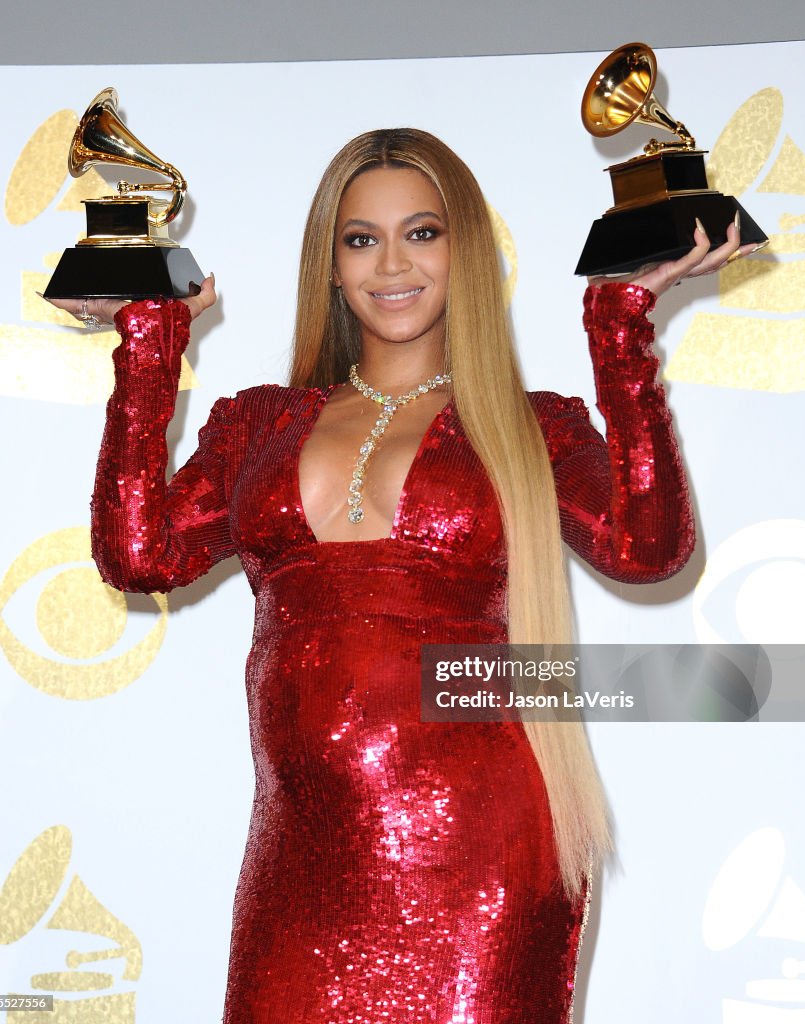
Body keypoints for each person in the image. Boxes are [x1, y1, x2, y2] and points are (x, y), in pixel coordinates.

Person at [51, 128, 751, 1023]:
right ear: (331, 263)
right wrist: (147, 348)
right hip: (298, 858)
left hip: (480, 858)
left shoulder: (530, 426)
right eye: (359, 238)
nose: (391, 263)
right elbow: (139, 555)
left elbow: (648, 549)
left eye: (422, 233)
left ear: (463, 248)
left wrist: (620, 334)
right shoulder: (259, 423)